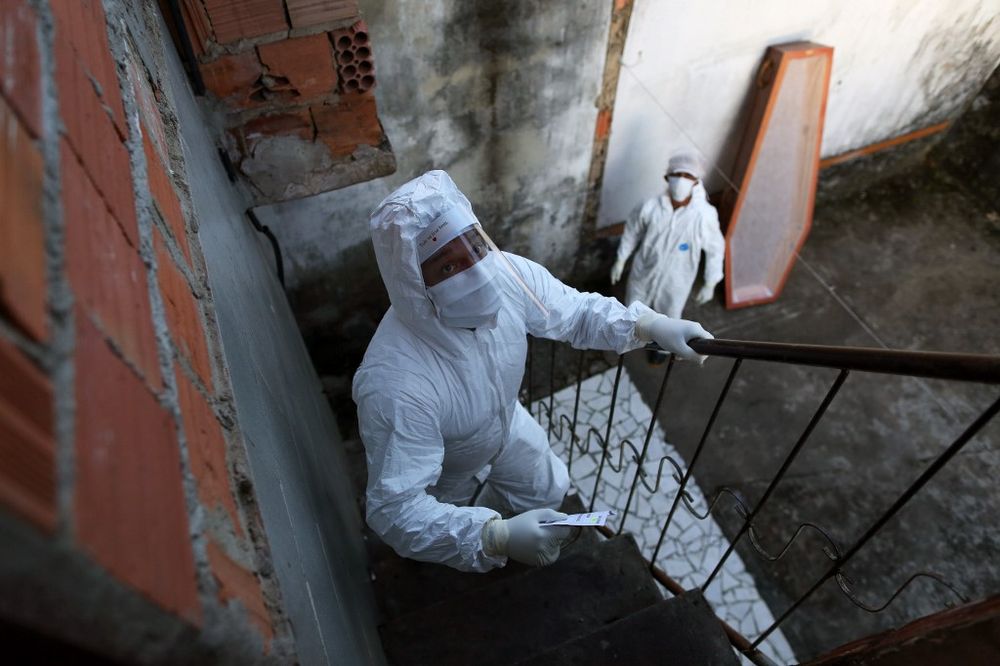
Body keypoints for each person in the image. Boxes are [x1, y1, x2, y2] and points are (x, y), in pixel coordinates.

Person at [352, 170, 713, 572]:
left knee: (548, 487)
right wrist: (493, 537)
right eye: (449, 267)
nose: (477, 270)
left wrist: (645, 326)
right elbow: (396, 509)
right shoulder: (396, 385)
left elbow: (574, 314)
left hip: (504, 424)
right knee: (446, 528)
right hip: (446, 470)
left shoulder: (508, 275)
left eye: (474, 246)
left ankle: (521, 531)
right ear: (415, 284)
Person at [610, 152, 726, 320]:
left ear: (696, 182)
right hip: (644, 274)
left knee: (668, 327)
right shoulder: (649, 205)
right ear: (667, 177)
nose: (681, 180)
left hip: (676, 284)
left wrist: (711, 282)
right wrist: (621, 259)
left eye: (687, 175)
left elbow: (716, 248)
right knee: (633, 319)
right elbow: (632, 231)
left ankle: (660, 347)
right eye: (677, 174)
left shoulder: (704, 215)